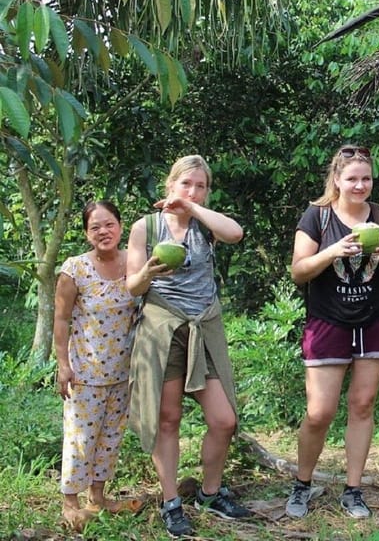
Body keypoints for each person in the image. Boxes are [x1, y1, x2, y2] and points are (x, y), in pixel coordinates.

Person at [126, 155, 250, 538]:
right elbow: (133, 287)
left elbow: (236, 234)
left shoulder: (205, 225)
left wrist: (194, 208)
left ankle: (210, 494)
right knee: (169, 419)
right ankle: (171, 503)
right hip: (164, 329)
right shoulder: (145, 227)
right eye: (186, 185)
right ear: (170, 185)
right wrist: (148, 271)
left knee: (223, 419)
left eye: (200, 186)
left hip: (203, 327)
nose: (192, 191)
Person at [287, 145, 379, 520]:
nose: (360, 185)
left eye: (366, 178)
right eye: (352, 178)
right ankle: (302, 484)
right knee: (320, 412)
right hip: (328, 320)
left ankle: (353, 490)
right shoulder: (317, 217)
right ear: (337, 180)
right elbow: (298, 271)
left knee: (362, 405)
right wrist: (333, 251)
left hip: (375, 319)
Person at [53, 200, 142, 531]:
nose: (103, 232)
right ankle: (70, 502)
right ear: (87, 233)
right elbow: (61, 320)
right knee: (81, 438)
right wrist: (63, 365)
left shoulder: (135, 265)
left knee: (109, 438)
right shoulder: (74, 269)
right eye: (95, 227)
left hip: (123, 372)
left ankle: (98, 498)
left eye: (109, 224)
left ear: (120, 226)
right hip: (85, 374)